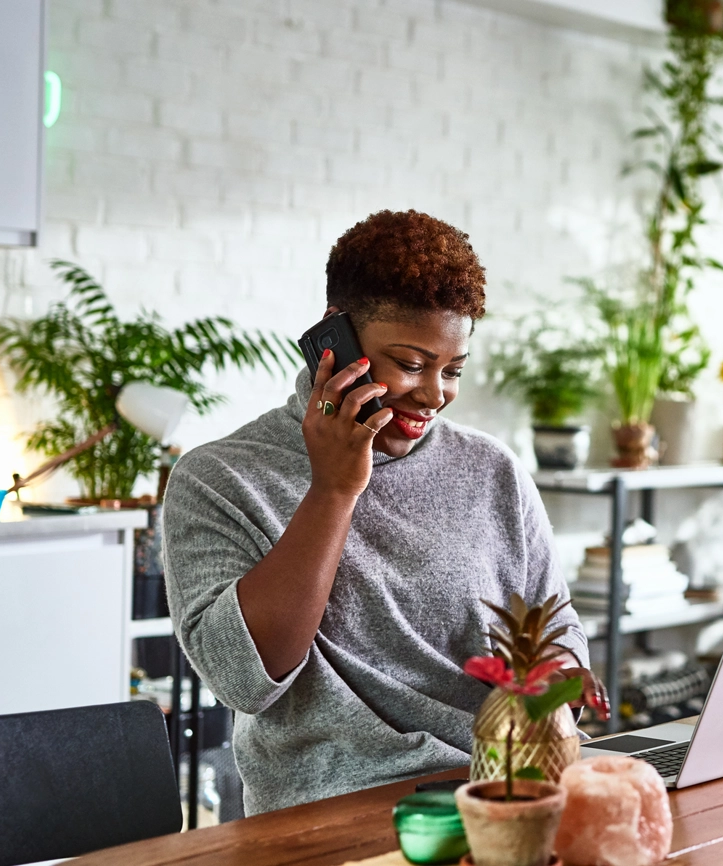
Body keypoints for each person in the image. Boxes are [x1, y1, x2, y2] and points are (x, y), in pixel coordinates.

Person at [162, 210, 590, 814]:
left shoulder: (490, 469)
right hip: (336, 812)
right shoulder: (220, 478)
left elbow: (557, 623)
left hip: (508, 788)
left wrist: (552, 690)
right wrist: (334, 490)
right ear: (335, 343)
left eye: (453, 370)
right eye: (411, 365)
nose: (435, 393)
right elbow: (244, 680)